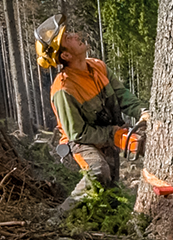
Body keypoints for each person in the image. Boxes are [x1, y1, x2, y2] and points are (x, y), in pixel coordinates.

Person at [35, 14, 150, 213]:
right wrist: (112, 134)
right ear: (66, 56)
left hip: (106, 132)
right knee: (98, 172)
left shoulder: (98, 66)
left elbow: (123, 96)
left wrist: (143, 111)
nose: (75, 35)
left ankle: (101, 220)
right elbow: (76, 133)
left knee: (110, 187)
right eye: (67, 38)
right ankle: (59, 217)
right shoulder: (64, 90)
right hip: (80, 142)